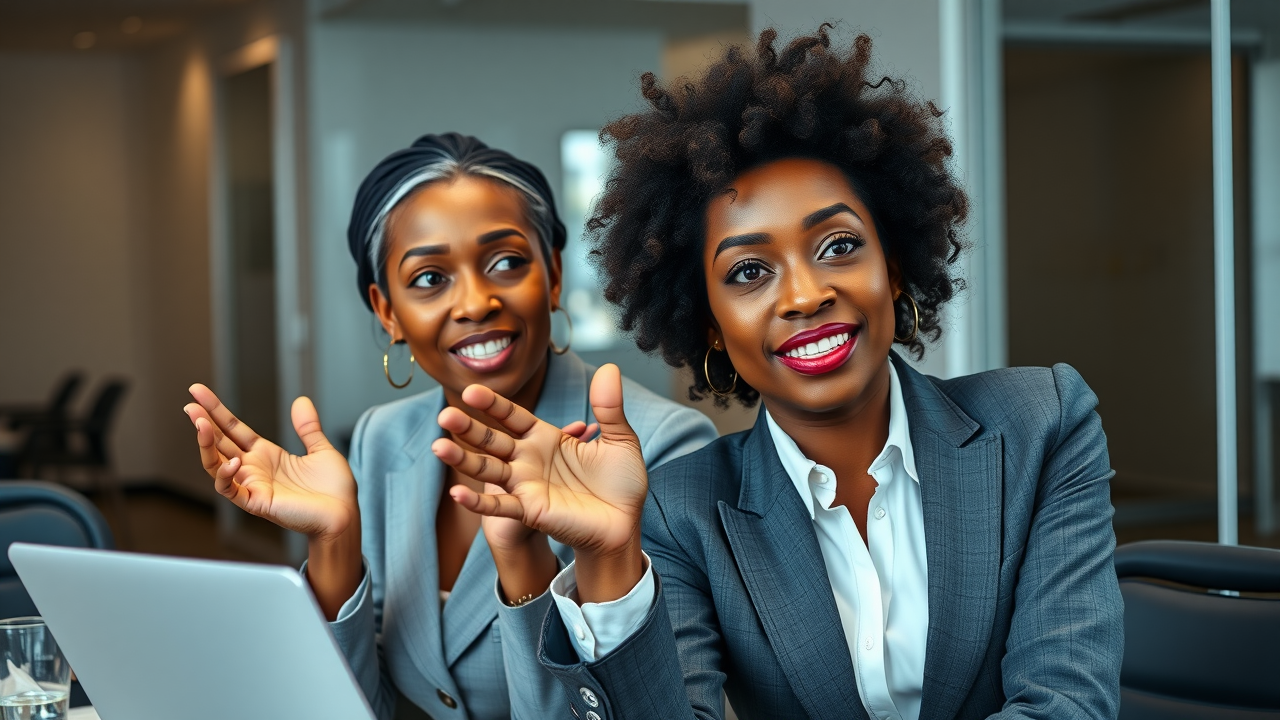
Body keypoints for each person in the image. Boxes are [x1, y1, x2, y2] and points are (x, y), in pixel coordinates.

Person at [431, 29, 1124, 720]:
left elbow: (1066, 704)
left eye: (840, 245)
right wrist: (611, 563)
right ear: (708, 323)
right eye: (749, 272)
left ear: (894, 264)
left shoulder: (1041, 423)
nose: (802, 295)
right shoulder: (682, 510)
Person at [181, 133, 719, 720]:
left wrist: (525, 569)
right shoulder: (382, 439)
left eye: (507, 262)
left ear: (555, 275)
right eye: (430, 279)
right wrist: (334, 545)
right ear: (387, 312)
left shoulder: (665, 446)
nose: (475, 302)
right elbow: (362, 707)